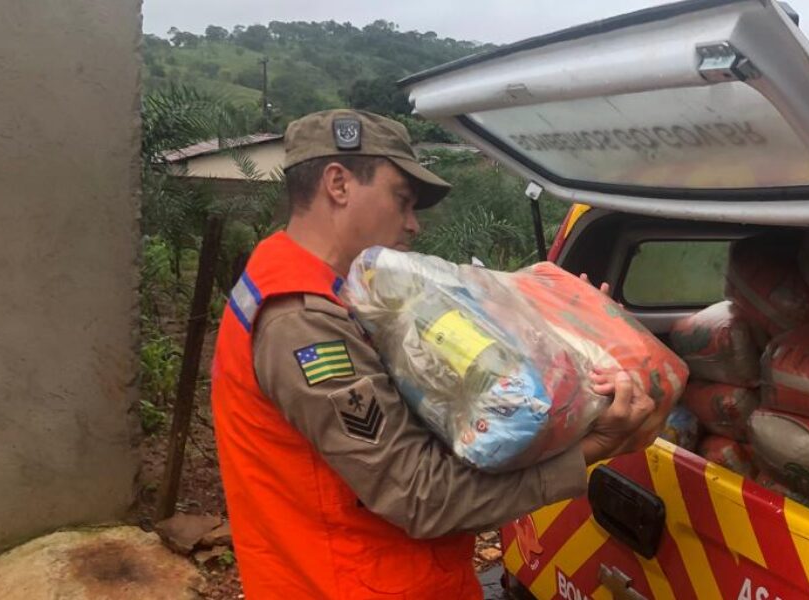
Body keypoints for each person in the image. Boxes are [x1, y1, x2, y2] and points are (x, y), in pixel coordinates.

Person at [210, 109, 658, 599]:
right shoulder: (303, 322)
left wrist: (567, 333)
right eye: (402, 200)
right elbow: (423, 497)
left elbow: (444, 402)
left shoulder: (340, 292)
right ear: (338, 184)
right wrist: (596, 447)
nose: (412, 225)